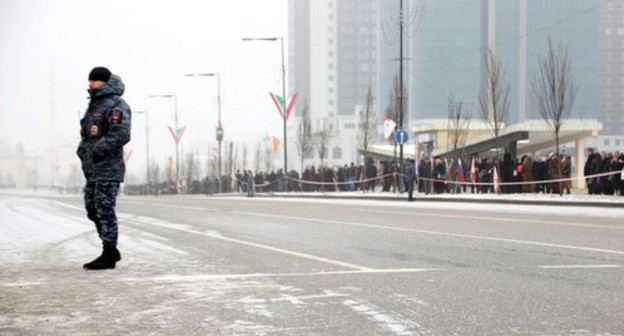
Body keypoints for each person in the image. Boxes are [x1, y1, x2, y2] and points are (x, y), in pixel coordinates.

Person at [76, 67, 131, 270]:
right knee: (92, 208)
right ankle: (111, 249)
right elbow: (88, 135)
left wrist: (96, 151)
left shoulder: (116, 105)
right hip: (92, 169)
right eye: (90, 80)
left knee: (104, 208)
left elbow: (121, 133)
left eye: (95, 81)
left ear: (105, 83)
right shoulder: (94, 106)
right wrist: (83, 151)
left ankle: (109, 253)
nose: (91, 84)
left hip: (108, 168)